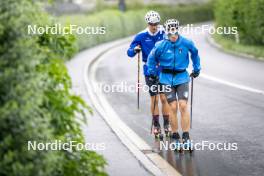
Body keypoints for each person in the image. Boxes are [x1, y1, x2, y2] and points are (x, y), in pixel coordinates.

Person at [147, 19, 201, 148]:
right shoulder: (161, 45)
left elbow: (195, 53)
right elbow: (151, 58)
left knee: (182, 106)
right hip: (166, 78)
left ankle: (186, 136)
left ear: (177, 30)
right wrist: (152, 72)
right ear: (166, 32)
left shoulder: (186, 42)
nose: (172, 36)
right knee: (173, 107)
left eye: (174, 32)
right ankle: (176, 136)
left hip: (182, 77)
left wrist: (197, 68)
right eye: (169, 33)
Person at [127, 11, 171, 138]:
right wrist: (135, 50)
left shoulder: (164, 33)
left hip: (163, 68)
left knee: (164, 97)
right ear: (148, 23)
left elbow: (174, 42)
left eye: (156, 23)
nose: (154, 26)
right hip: (149, 69)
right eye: (152, 24)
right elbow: (129, 52)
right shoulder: (141, 35)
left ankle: (167, 124)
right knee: (154, 98)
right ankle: (156, 125)